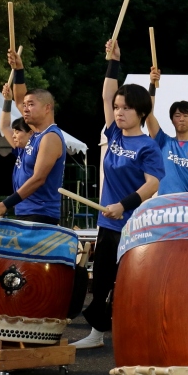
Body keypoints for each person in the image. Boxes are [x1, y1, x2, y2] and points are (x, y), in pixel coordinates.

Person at [73, 39, 165, 350]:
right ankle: (97, 334)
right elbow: (106, 93)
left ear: (141, 112)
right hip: (108, 223)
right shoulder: (112, 132)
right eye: (117, 108)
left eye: (126, 108)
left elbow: (152, 184)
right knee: (100, 280)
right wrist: (114, 61)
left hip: (134, 224)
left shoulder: (149, 146)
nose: (119, 111)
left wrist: (122, 206)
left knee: (131, 282)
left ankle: (138, 335)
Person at [0, 52, 66, 224]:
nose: (25, 109)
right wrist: (19, 69)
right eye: (25, 106)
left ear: (47, 108)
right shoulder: (36, 135)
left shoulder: (50, 137)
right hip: (26, 210)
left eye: (31, 105)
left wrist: (6, 204)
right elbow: (19, 99)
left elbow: (38, 178)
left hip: (41, 214)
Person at [145, 67, 188, 193]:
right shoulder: (163, 141)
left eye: (186, 115)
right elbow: (148, 114)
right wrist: (152, 84)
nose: (181, 119)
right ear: (172, 120)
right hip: (165, 206)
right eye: (177, 116)